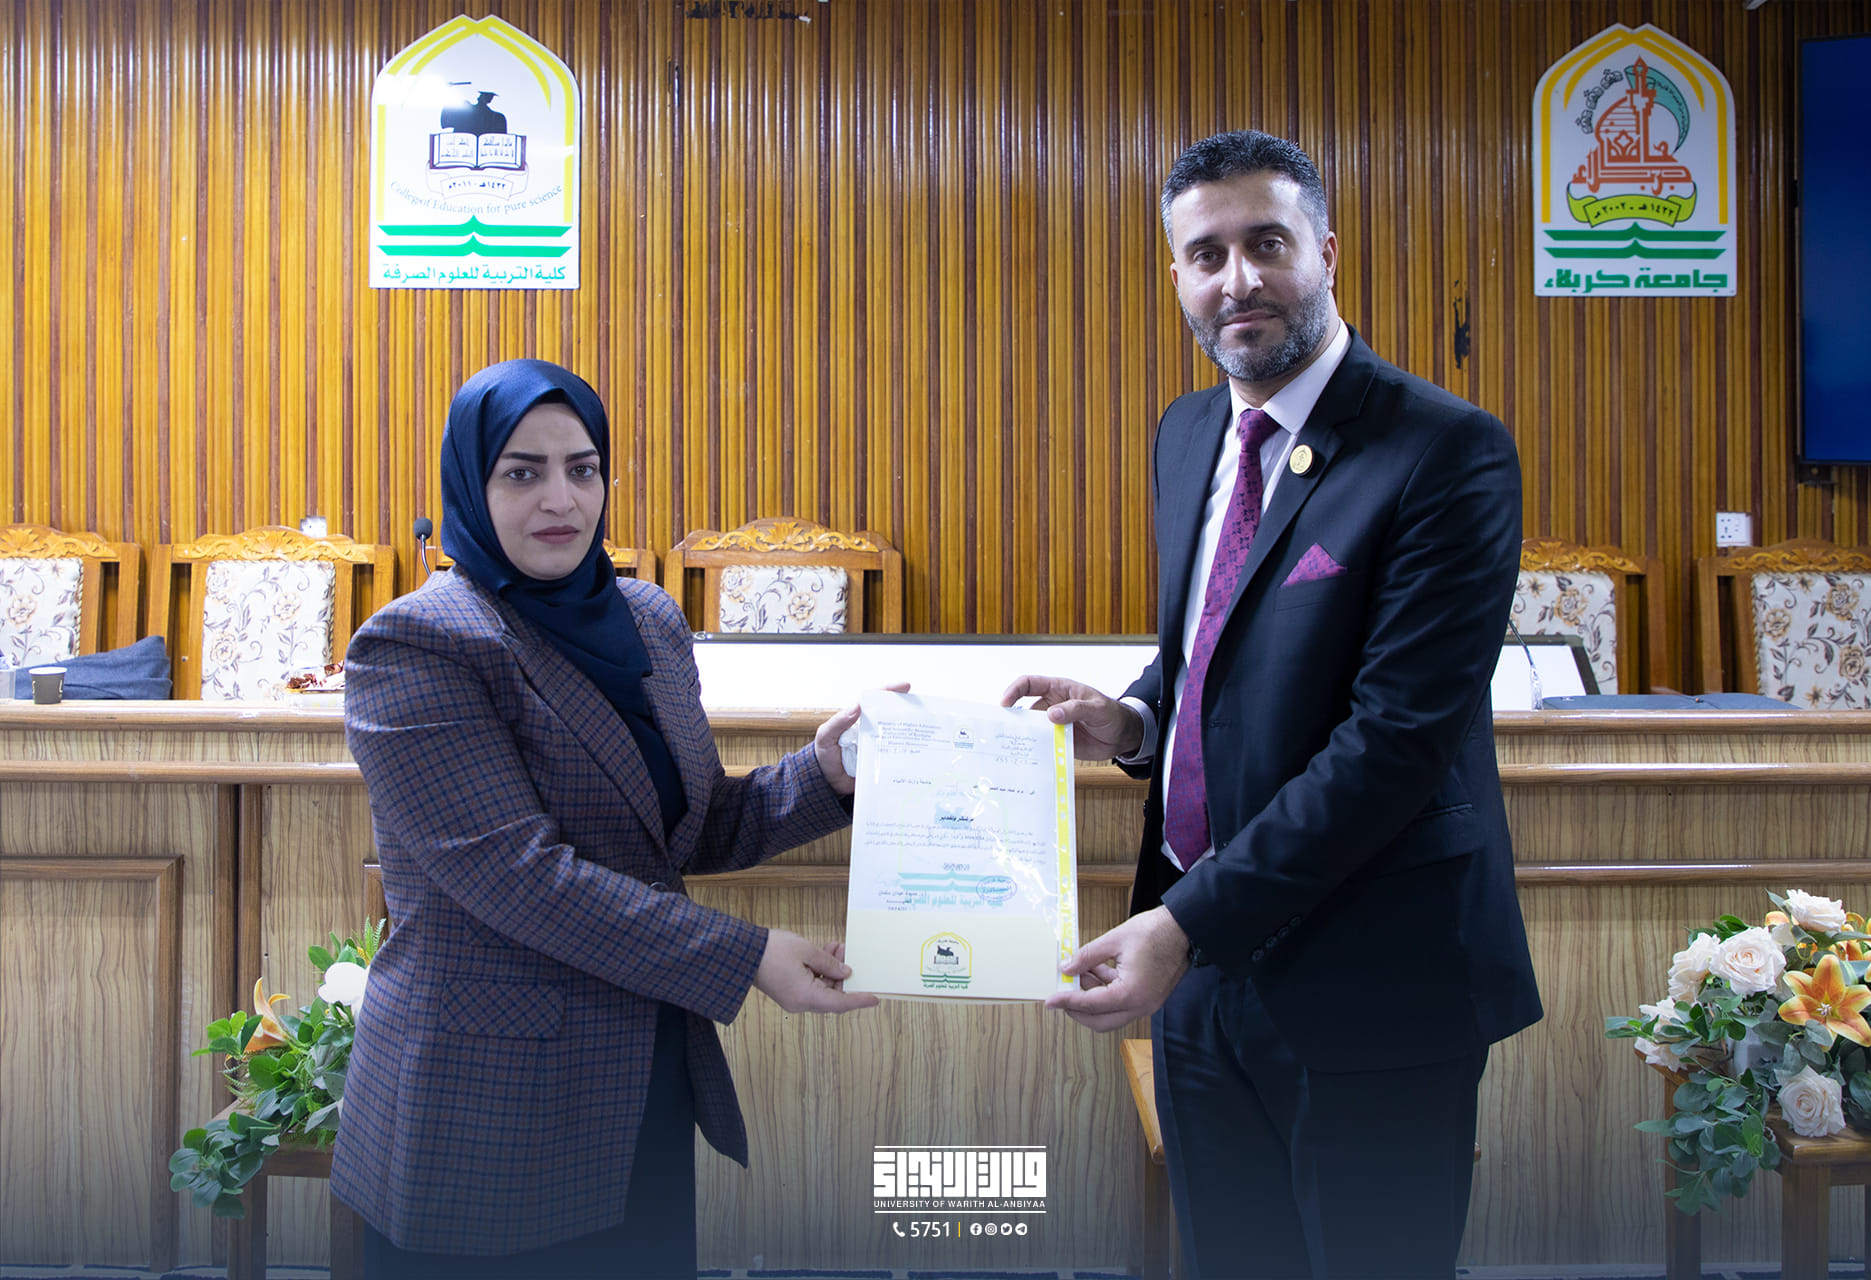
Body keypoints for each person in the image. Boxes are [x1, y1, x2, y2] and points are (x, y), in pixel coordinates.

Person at [1003, 132, 1542, 1278]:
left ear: (1326, 251)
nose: (1237, 278)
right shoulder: (1189, 431)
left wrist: (1183, 924)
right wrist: (1131, 720)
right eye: (1207, 254)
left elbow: (1393, 742)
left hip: (1374, 983)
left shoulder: (1445, 451)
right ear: (1177, 276)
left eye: (1267, 243)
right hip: (1205, 979)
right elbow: (1215, 648)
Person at [332, 358, 880, 1278]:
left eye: (582, 468)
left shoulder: (647, 619)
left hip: (639, 1072)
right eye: (522, 472)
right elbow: (519, 878)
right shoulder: (418, 642)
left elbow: (686, 831)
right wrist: (748, 956)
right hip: (486, 1102)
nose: (561, 499)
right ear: (470, 485)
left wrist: (824, 774)